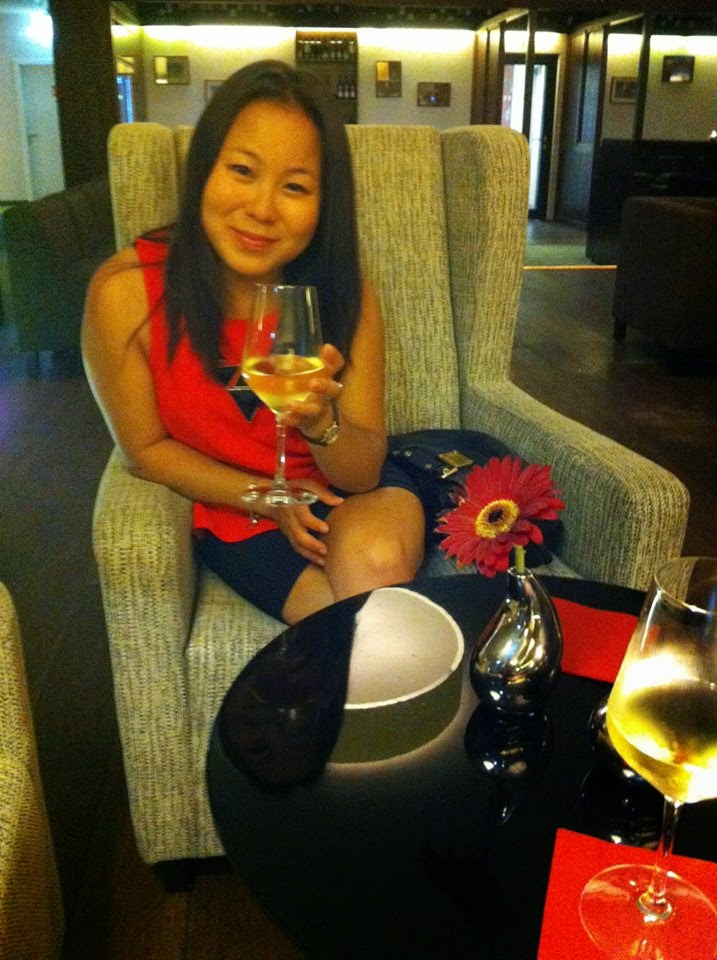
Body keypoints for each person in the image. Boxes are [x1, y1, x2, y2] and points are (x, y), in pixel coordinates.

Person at [82, 59, 425, 625]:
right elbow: (144, 450)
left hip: (344, 492)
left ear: (324, 204)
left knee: (377, 572)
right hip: (238, 510)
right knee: (356, 636)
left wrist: (321, 423)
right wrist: (266, 497)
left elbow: (362, 472)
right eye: (242, 170)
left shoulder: (345, 294)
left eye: (295, 187)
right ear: (204, 170)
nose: (262, 209)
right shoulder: (125, 295)